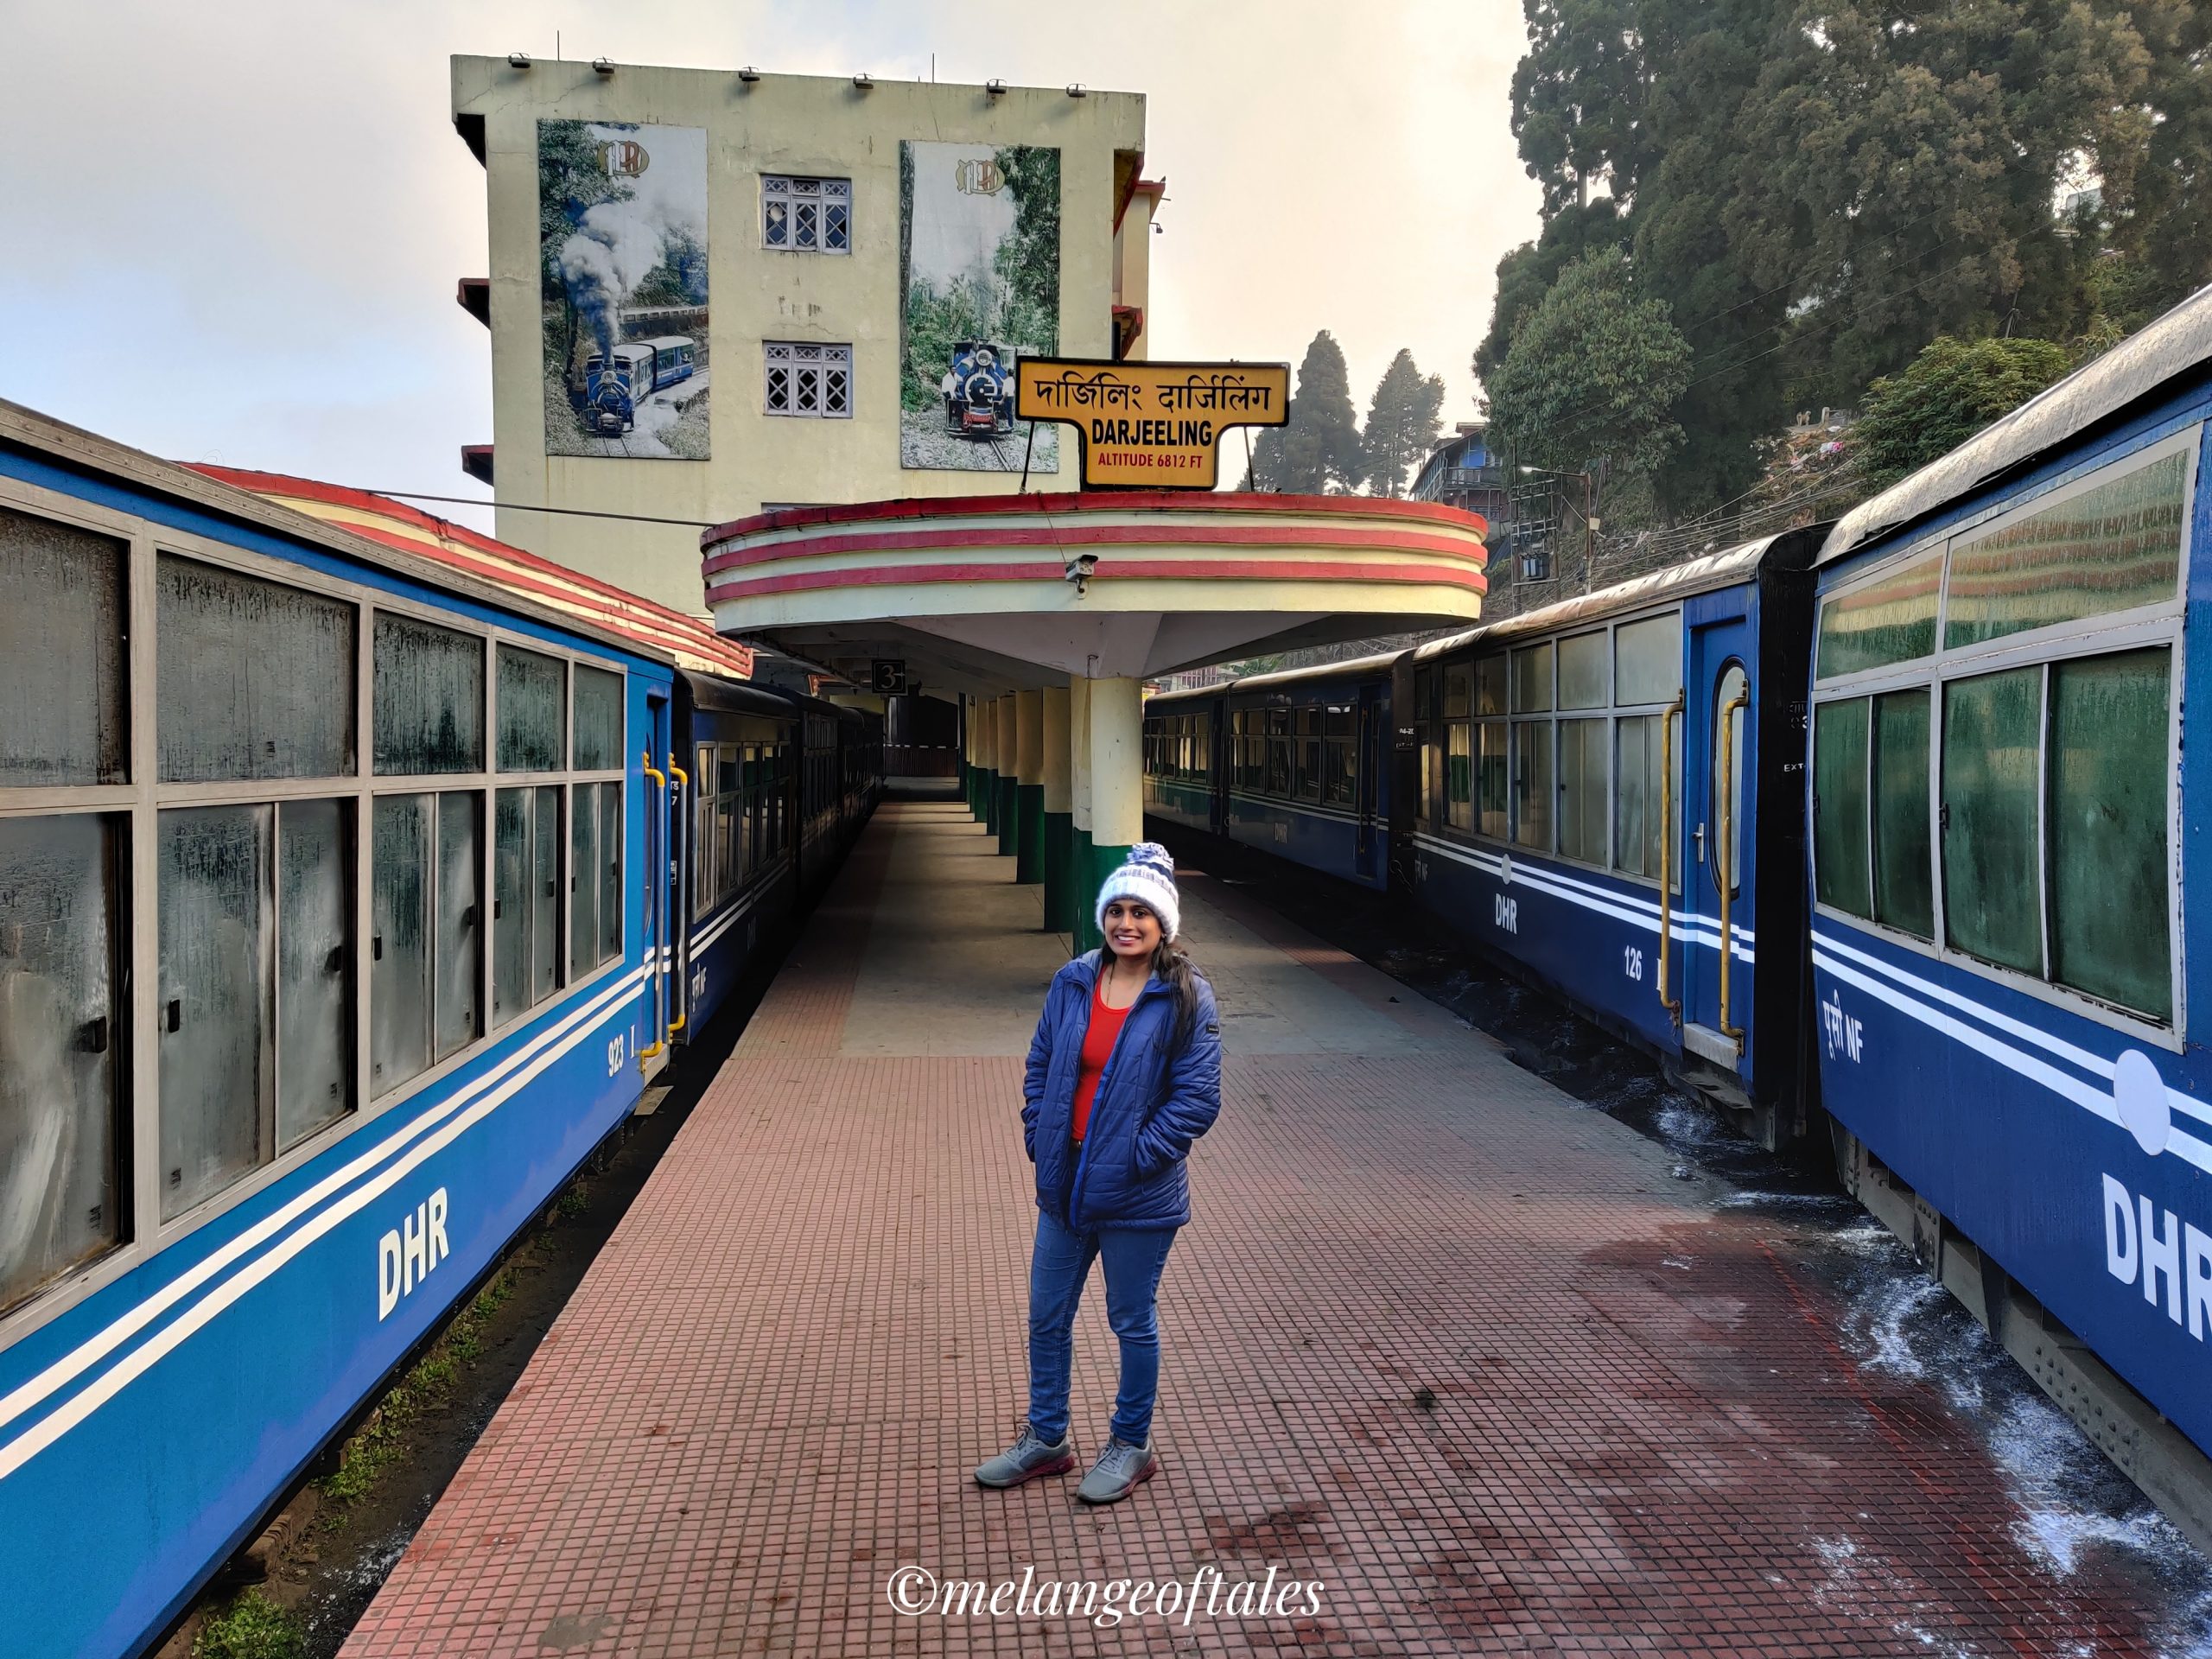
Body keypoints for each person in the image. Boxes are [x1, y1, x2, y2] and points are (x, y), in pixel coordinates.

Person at [974, 843, 1223, 1503]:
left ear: (1162, 924)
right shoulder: (1075, 980)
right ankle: (1048, 1438)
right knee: (1046, 1315)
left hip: (1139, 1195)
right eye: (1117, 909)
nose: (1127, 923)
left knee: (1130, 1320)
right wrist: (1040, 1132)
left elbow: (1198, 1099)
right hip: (1065, 1181)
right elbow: (1041, 1062)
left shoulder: (1187, 997)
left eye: (1142, 912)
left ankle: (1130, 1443)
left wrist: (1135, 1158)